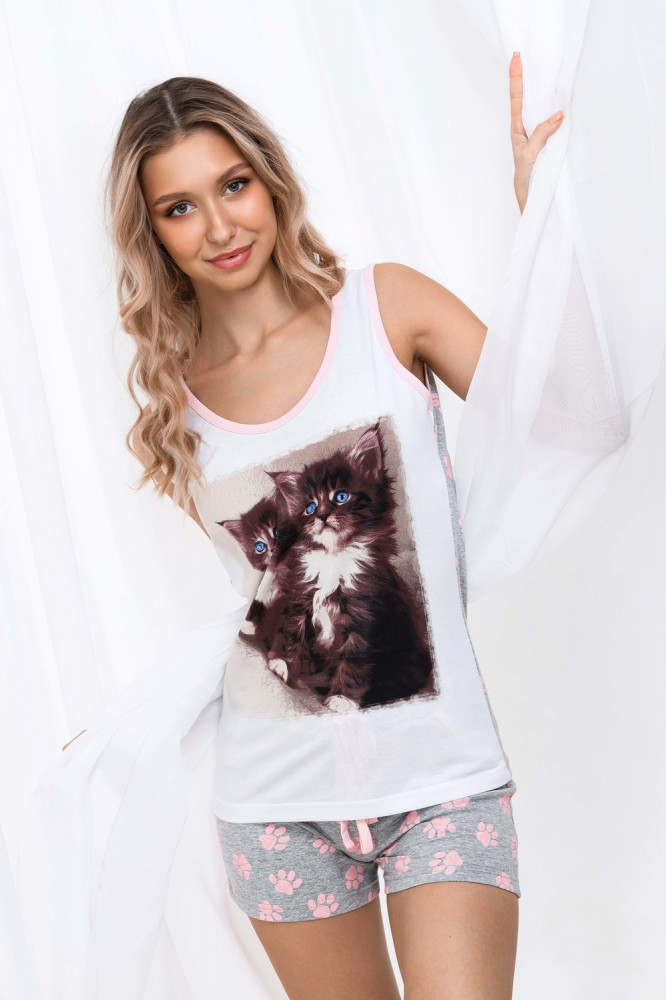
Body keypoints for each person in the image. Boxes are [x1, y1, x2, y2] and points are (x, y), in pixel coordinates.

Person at [94, 54, 563, 1000]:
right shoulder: (174, 407)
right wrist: (126, 725)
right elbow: (254, 611)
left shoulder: (388, 307)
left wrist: (546, 225)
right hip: (275, 808)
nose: (220, 226)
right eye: (180, 207)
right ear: (154, 234)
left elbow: (571, 421)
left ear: (270, 180)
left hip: (444, 784)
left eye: (233, 185)